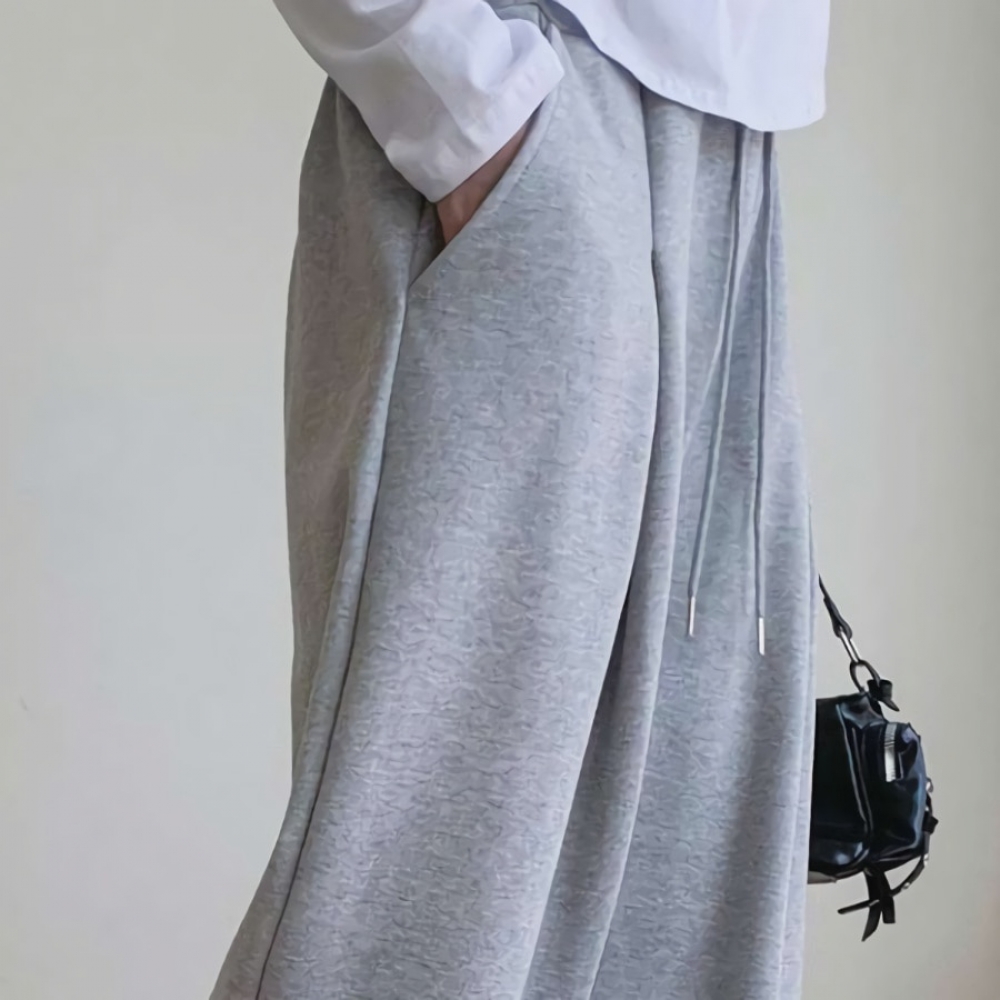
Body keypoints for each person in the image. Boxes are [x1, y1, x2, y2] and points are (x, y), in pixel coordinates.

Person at [211, 1, 828, 997]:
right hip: (538, 96)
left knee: (691, 909)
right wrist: (466, 102)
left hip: (732, 151)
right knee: (440, 878)